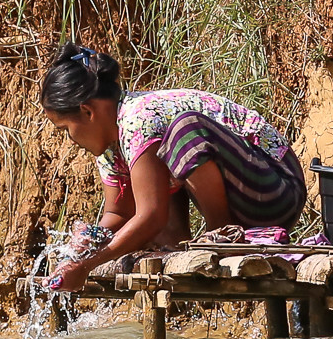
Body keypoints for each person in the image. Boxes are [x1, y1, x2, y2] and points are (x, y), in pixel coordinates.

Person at [41, 43, 305, 292]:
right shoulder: (111, 146)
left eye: (66, 129)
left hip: (277, 189)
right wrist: (89, 240)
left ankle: (221, 236)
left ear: (88, 112)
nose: (70, 140)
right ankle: (186, 243)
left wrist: (87, 266)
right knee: (159, 170)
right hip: (249, 199)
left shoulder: (139, 119)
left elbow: (151, 215)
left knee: (185, 129)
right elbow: (118, 212)